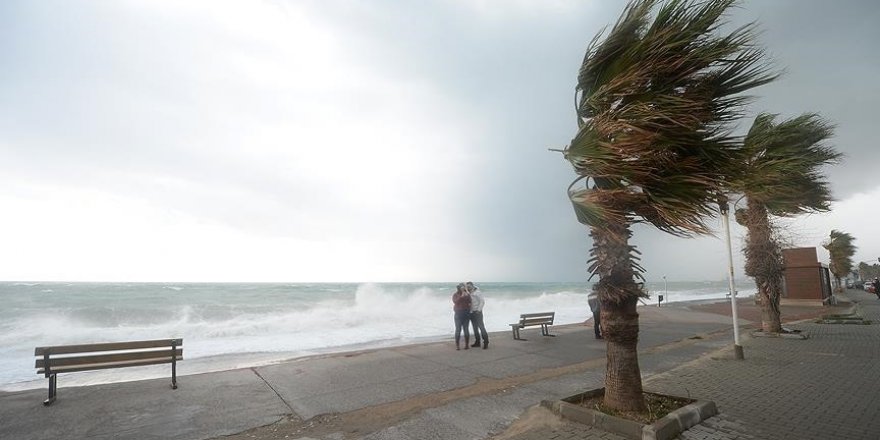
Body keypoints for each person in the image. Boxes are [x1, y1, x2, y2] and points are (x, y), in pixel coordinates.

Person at [467, 281, 489, 349]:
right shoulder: (469, 293)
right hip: (471, 313)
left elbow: (482, 302)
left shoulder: (478, 292)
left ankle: (486, 342)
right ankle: (477, 342)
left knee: (481, 327)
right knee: (475, 328)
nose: (468, 287)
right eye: (467, 287)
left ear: (472, 286)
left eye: (469, 286)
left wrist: (478, 310)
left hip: (477, 312)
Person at [452, 283, 472, 350]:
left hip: (465, 313)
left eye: (464, 287)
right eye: (462, 287)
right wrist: (462, 296)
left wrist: (467, 295)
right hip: (458, 313)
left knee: (466, 329)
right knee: (458, 329)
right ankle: (457, 346)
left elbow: (470, 302)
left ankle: (466, 345)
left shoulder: (467, 294)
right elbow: (455, 302)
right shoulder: (455, 295)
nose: (463, 288)